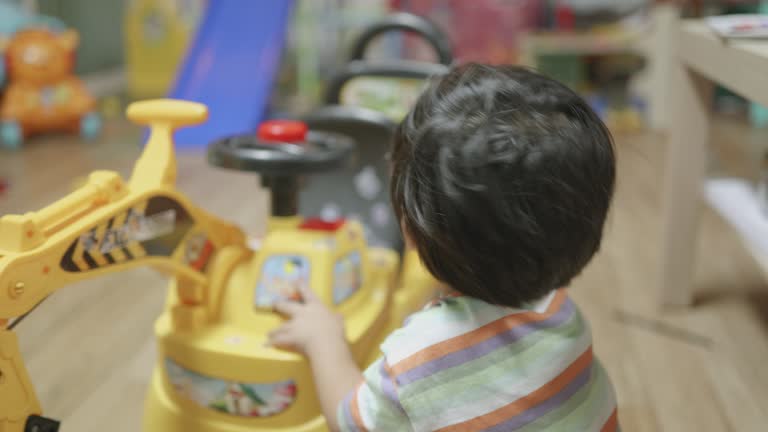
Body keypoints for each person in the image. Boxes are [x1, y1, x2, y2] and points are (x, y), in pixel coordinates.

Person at [267, 63, 619, 432]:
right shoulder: (564, 315)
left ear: (412, 229)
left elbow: (350, 421)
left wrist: (324, 340)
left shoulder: (418, 360)